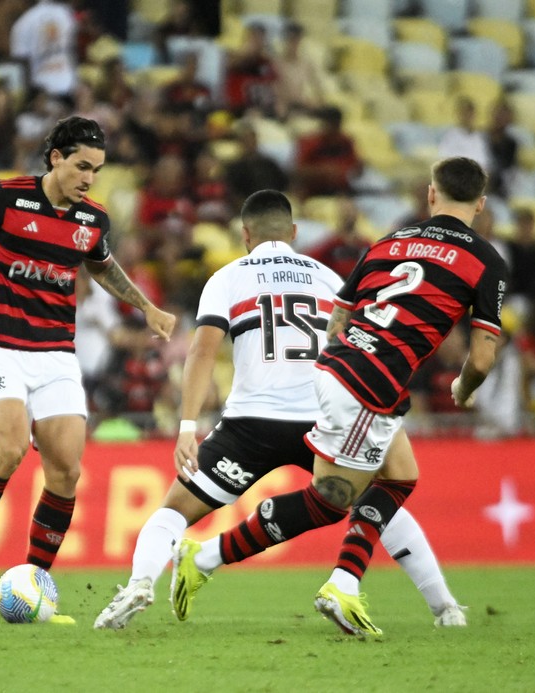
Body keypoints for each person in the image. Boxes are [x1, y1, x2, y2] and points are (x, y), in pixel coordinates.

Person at [93, 190, 467, 631]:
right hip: (324, 417)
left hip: (251, 425)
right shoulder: (330, 279)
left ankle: (140, 583)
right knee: (379, 503)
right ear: (292, 233)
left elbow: (202, 352)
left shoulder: (228, 277)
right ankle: (445, 609)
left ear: (245, 235)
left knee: (174, 511)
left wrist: (187, 426)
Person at [168, 157, 509, 637]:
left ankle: (212, 559)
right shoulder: (486, 261)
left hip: (338, 366)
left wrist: (341, 363)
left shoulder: (389, 242)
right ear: (481, 203)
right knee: (333, 499)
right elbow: (481, 359)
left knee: (398, 477)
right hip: (373, 381)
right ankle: (334, 583)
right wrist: (462, 388)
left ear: (431, 195)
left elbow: (339, 316)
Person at [0, 116, 176, 621]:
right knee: (12, 446)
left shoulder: (92, 220)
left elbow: (101, 264)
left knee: (66, 470)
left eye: (98, 170)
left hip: (56, 354)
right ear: (56, 158)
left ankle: (35, 583)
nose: (89, 178)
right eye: (82, 166)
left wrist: (144, 307)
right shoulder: (4, 197)